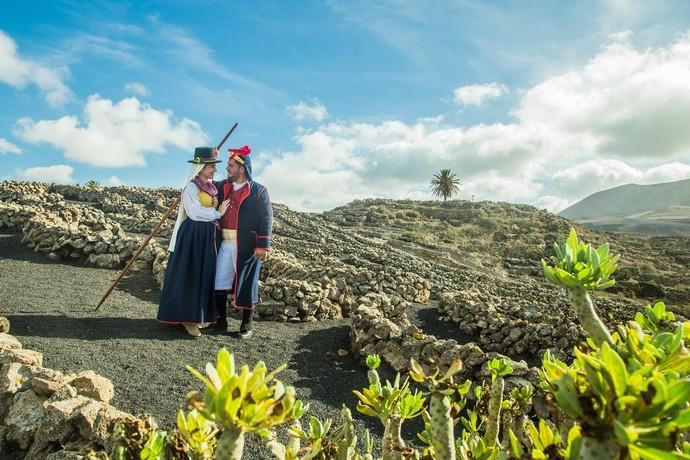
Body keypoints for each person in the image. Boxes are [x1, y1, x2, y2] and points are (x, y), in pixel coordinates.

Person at [157, 147, 230, 337]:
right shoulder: (191, 187)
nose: (214, 170)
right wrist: (218, 213)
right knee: (191, 273)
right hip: (193, 234)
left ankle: (196, 316)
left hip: (206, 235)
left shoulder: (210, 187)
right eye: (211, 166)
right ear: (201, 167)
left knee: (203, 273)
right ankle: (187, 319)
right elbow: (194, 212)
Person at [212, 145, 272, 339]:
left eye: (230, 165)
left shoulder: (259, 191)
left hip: (247, 246)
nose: (227, 169)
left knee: (247, 283)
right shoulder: (221, 187)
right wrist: (211, 157)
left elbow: (266, 218)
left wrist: (263, 245)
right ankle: (221, 321)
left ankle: (247, 324)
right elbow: (200, 179)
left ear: (242, 168)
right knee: (219, 280)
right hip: (225, 243)